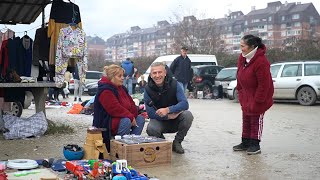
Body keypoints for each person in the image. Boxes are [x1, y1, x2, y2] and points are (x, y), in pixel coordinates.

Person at [233, 35, 274, 155]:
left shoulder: (261, 61)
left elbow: (264, 84)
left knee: (256, 120)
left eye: (243, 46)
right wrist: (240, 91)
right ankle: (245, 142)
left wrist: (258, 100)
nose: (241, 49)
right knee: (246, 119)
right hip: (246, 95)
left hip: (258, 96)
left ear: (252, 47)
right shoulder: (242, 57)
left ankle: (255, 144)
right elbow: (239, 74)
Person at [144, 62, 193, 154]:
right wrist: (168, 116)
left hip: (176, 120)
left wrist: (168, 110)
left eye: (160, 72)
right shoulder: (147, 89)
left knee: (188, 115)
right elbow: (150, 113)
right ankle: (165, 144)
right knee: (151, 128)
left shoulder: (175, 84)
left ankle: (177, 142)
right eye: (154, 73)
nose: (157, 75)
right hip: (160, 121)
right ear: (151, 74)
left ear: (165, 73)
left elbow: (185, 104)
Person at [93, 64, 145, 151]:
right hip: (106, 122)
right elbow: (114, 109)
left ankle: (131, 144)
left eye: (123, 76)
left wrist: (134, 115)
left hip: (119, 119)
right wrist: (130, 117)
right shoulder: (105, 90)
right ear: (112, 77)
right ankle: (119, 148)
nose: (122, 78)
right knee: (126, 121)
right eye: (119, 76)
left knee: (140, 119)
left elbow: (131, 104)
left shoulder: (121, 88)